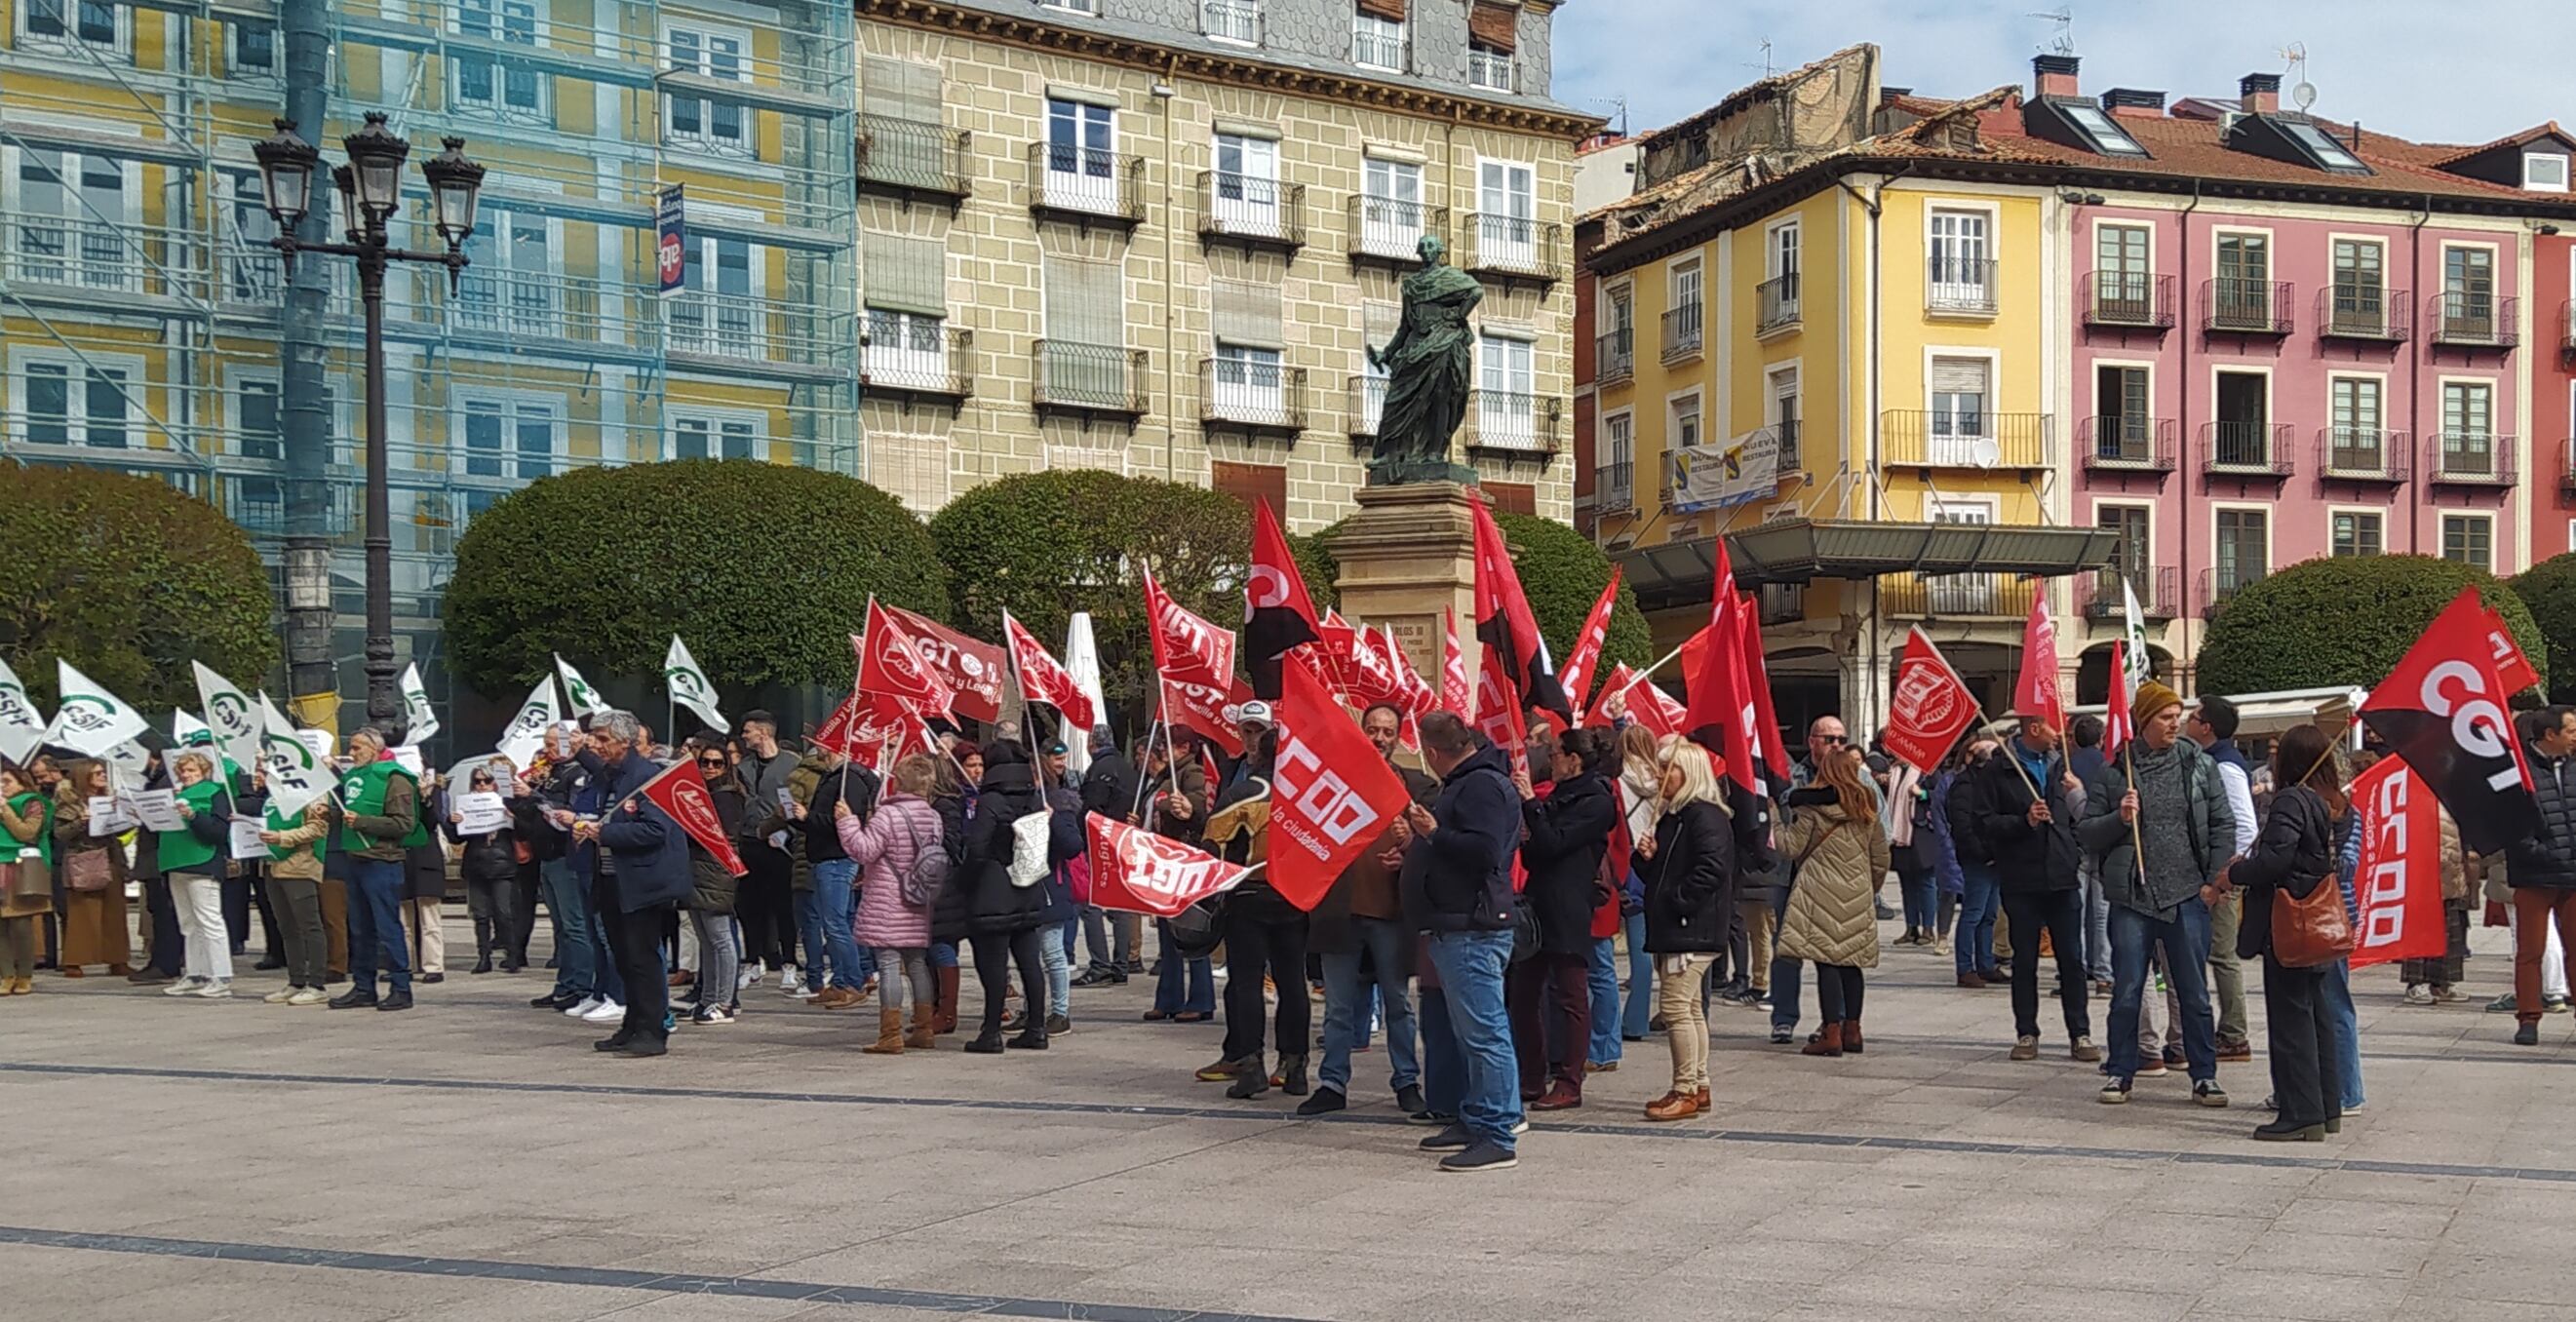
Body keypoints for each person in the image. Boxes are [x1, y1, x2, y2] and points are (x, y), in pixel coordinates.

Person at [2080, 680, 2234, 1108]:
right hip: (2133, 897)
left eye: (2178, 716)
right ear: (2145, 720)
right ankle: (2120, 1072)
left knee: (2194, 993)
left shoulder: (2199, 765)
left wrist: (2214, 881)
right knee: (2127, 990)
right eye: (2166, 717)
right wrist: (2119, 817)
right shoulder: (2116, 773)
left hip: (2187, 895)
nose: (2176, 723)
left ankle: (2204, 1075)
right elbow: (2087, 833)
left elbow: (2223, 824)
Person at [1400, 713, 1523, 1173]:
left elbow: (1485, 852)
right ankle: (1476, 1117)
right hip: (1455, 922)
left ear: (1432, 753)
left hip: (1473, 925)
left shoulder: (1481, 786)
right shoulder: (1467, 782)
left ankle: (1497, 1131)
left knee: (1485, 1032)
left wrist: (1434, 833)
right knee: (1471, 1033)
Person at [1302, 702, 1433, 1117]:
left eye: (1388, 731)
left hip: (1391, 913)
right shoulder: (1334, 781)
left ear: (1399, 737)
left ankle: (1407, 1081)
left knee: (1398, 1004)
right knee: (1339, 1008)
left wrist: (1410, 844)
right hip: (1340, 911)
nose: (1379, 738)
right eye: (1372, 730)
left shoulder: (1417, 787)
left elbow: (1439, 845)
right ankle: (1332, 1083)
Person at [2222, 723, 2346, 1141]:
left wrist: (2235, 873)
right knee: (2319, 1017)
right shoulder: (2328, 801)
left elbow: (2276, 860)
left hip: (2290, 920)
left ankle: (2300, 1112)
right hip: (2319, 920)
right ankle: (2327, 1106)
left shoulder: (2291, 799)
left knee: (2291, 1020)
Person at [1976, 716, 2099, 1063]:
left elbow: (2081, 817)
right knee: (2025, 960)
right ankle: (2026, 1032)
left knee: (2073, 960)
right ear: (2033, 729)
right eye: (2051, 726)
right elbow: (1983, 822)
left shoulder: (2063, 767)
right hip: (2022, 878)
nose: (2059, 733)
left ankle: (2080, 1033)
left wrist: (2072, 846)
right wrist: (2023, 822)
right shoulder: (1998, 771)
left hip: (2062, 876)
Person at [1203, 705, 1310, 1099]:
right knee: (1292, 983)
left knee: (1247, 983)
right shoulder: (1305, 797)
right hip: (1295, 898)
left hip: (1248, 896)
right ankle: (1296, 1066)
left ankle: (1251, 1066)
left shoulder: (1243, 794)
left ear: (1261, 754)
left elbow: (1212, 844)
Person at [1510, 727, 1618, 1111]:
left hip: (1569, 905)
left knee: (1570, 994)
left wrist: (1531, 806)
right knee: (1524, 995)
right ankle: (1532, 1075)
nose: (1550, 759)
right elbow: (1538, 849)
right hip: (1540, 900)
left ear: (1574, 760)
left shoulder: (1596, 801)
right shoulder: (1559, 795)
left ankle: (1570, 1079)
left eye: (1555, 753)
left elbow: (1555, 842)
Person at [581, 711, 691, 1057]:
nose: (595, 745)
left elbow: (657, 830)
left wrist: (604, 832)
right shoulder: (610, 778)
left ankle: (653, 1029)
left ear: (624, 742)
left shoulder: (648, 777)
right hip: (613, 880)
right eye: (593, 738)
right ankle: (632, 1023)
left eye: (602, 739)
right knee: (624, 958)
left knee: (643, 958)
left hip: (642, 883)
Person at [1638, 737, 1733, 1120]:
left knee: (1675, 1007)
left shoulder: (1704, 815)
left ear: (1687, 772)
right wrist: (1646, 859)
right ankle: (1698, 1083)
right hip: (1679, 923)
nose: (1661, 776)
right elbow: (1660, 873)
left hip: (1690, 926)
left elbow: (1711, 868)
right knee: (1690, 1009)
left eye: (1668, 768)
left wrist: (1677, 900)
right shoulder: (1675, 816)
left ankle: (1685, 1089)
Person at [1779, 747, 1891, 1058]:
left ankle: (1831, 1033)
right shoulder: (1866, 807)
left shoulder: (1809, 807)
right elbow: (1880, 856)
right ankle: (1853, 1030)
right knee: (1851, 963)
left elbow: (1792, 846)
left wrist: (1775, 823)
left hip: (1820, 891)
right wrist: (1870, 887)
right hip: (1857, 890)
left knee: (1827, 960)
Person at [839, 753, 943, 1052]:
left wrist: (847, 822)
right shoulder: (933, 817)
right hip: (919, 898)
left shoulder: (888, 815)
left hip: (889, 897)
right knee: (917, 963)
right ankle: (924, 1028)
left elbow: (864, 851)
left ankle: (890, 1034)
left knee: (887, 964)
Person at [958, 743, 1055, 1054]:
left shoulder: (990, 801)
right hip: (1028, 886)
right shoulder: (1034, 798)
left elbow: (977, 847)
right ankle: (1037, 1027)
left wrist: (967, 881)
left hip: (993, 890)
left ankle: (990, 1032)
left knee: (994, 964)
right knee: (1030, 962)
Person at [329, 728, 423, 1012]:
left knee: (387, 926)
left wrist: (362, 822)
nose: (352, 753)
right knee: (360, 928)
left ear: (374, 749)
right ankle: (363, 987)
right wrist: (332, 814)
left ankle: (401, 988)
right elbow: (348, 811)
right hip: (356, 858)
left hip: (383, 861)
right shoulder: (353, 778)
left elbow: (403, 824)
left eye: (358, 748)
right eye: (351, 747)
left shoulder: (394, 779)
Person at [2187, 696, 2260, 1062]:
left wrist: (2228, 874)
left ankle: (2234, 1033)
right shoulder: (2211, 759)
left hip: (2222, 877)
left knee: (2222, 954)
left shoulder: (2225, 766)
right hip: (2211, 872)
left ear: (2207, 727)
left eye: (2193, 716)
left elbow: (2246, 825)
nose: (2187, 720)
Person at [2505, 704, 2576, 1046]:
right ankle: (2529, 1018)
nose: (2575, 737)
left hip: (2573, 875)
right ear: (2550, 735)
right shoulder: (2519, 769)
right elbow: (2509, 823)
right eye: (2571, 731)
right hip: (2535, 874)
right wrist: (2538, 851)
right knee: (2530, 951)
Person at [790, 741, 878, 1009]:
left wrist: (808, 817)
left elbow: (844, 821)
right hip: (825, 856)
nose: (821, 752)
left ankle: (853, 980)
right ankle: (841, 981)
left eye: (824, 747)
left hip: (837, 858)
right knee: (835, 921)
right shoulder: (834, 778)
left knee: (836, 922)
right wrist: (797, 818)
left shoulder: (848, 779)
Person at [1139, 737, 1216, 1024]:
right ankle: (1168, 997)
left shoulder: (1190, 772)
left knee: (1190, 931)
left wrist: (1187, 808)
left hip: (1182, 860)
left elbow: (1198, 808)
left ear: (1183, 748)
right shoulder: (1160, 778)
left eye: (1169, 745)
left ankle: (1201, 998)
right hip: (1163, 861)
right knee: (1167, 933)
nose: (1164, 751)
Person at [152, 750, 236, 999]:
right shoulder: (175, 795)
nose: (187, 775)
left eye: (192, 771)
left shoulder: (215, 793)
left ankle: (220, 975)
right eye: (183, 771)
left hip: (202, 861)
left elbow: (219, 831)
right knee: (188, 923)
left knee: (210, 920)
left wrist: (194, 816)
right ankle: (195, 972)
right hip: (175, 861)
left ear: (203, 771)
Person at [732, 712, 801, 991]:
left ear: (763, 732)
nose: (744, 736)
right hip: (749, 841)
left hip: (780, 844)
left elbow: (799, 802)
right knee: (750, 905)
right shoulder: (743, 767)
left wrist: (787, 833)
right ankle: (753, 960)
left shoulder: (791, 765)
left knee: (783, 906)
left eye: (748, 731)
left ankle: (789, 963)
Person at [681, 743, 745, 1026]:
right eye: (705, 762)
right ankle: (708, 998)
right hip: (696, 869)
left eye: (717, 763)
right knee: (706, 940)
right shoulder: (701, 792)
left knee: (720, 938)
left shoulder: (727, 797)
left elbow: (715, 834)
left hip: (715, 870)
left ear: (726, 767)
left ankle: (725, 1001)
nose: (710, 767)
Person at [48, 759, 131, 978]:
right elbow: (60, 834)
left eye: (103, 772)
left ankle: (118, 959)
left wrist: (126, 816)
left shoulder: (110, 799)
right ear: (85, 777)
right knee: (82, 912)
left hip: (110, 856)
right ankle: (75, 961)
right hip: (84, 858)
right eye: (97, 773)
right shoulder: (69, 802)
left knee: (115, 911)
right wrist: (81, 821)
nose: (103, 776)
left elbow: (120, 831)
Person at [254, 779, 332, 1005]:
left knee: (309, 925)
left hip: (300, 865)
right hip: (272, 864)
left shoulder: (313, 790)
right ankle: (295, 980)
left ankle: (317, 984)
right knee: (286, 926)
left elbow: (318, 827)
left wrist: (283, 837)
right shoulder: (274, 793)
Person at [1074, 725, 1143, 986]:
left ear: (1092, 743)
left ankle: (1100, 964)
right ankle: (1121, 964)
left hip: (1099, 841)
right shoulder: (1127, 769)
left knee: (1089, 902)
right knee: (1120, 904)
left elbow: (1091, 808)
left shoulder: (1099, 770)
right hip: (1123, 839)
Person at [1613, 723, 1661, 1046]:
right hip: (1649, 857)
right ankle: (1637, 1019)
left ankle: (1606, 1018)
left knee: (1600, 944)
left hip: (1621, 858)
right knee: (1641, 946)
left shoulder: (1617, 781)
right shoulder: (1662, 781)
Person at [450, 764, 523, 975]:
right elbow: (457, 837)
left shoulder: (505, 804)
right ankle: (483, 956)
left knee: (504, 912)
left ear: (495, 783)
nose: (482, 785)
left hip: (502, 863)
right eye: (478, 781)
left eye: (487, 781)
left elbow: (524, 832)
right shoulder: (467, 804)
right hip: (476, 864)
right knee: (480, 914)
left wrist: (514, 816)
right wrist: (453, 822)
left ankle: (512, 955)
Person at [1944, 744, 2006, 989]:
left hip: (1994, 857)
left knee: (1989, 914)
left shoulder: (1988, 783)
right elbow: (1963, 826)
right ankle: (1965, 967)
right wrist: (1983, 853)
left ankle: (1985, 964)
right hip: (1977, 858)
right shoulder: (1965, 786)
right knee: (1973, 913)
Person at [2400, 807, 2473, 1005]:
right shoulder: (2416, 797)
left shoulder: (2453, 797)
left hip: (2452, 872)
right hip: (2422, 874)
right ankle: (2416, 983)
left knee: (2451, 932)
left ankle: (2443, 981)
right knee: (2420, 931)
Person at [2066, 714, 2114, 994]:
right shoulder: (2108, 768)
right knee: (2102, 913)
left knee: (2075, 911)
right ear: (2100, 739)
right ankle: (2104, 973)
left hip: (2074, 846)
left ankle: (2076, 969)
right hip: (2102, 843)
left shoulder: (2067, 768)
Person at [0, 761, 54, 994]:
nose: (3, 786)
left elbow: (27, 832)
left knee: (20, 924)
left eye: (7, 782)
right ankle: (6, 974)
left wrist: (6, 811)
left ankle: (24, 974)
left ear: (21, 783)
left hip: (21, 866)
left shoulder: (32, 803)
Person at [403, 770, 449, 985]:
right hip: (403, 859)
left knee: (429, 918)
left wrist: (425, 798)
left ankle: (433, 966)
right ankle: (405, 964)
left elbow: (433, 822)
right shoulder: (395, 789)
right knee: (404, 919)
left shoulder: (434, 792)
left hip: (426, 858)